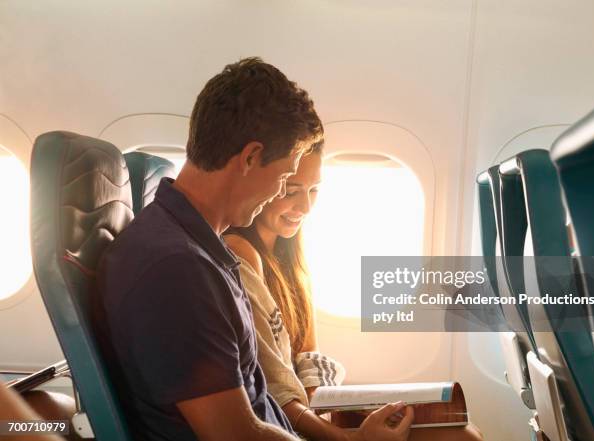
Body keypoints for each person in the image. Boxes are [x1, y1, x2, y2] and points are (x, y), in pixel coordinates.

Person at [92, 57, 414, 441]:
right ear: (249, 158)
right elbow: (239, 435)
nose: (281, 193)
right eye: (283, 178)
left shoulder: (200, 250)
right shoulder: (177, 270)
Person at [224, 147, 484, 441]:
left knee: (464, 431)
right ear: (267, 184)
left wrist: (336, 406)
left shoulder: (293, 255)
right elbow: (273, 385)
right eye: (292, 190)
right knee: (463, 438)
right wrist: (344, 436)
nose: (306, 206)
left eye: (314, 190)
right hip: (286, 419)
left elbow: (308, 353)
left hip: (310, 408)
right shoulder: (240, 252)